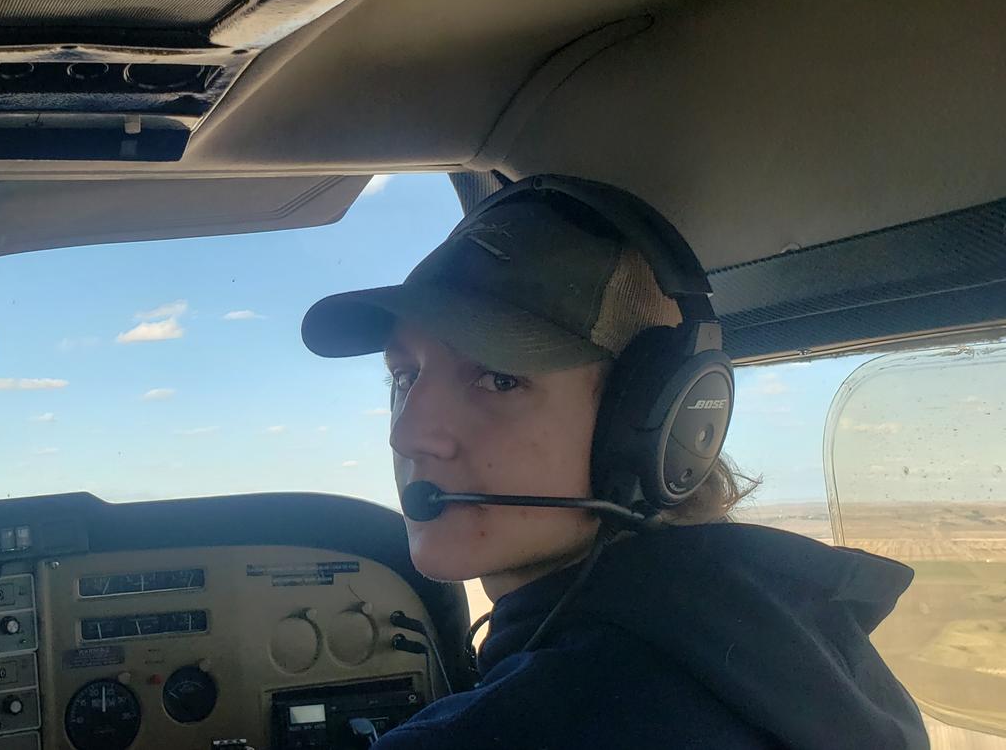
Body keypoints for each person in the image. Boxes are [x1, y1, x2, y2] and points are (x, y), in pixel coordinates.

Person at [301, 176, 928, 749]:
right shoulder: (804, 652)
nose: (409, 435)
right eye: (405, 378)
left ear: (656, 420)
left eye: (498, 380)